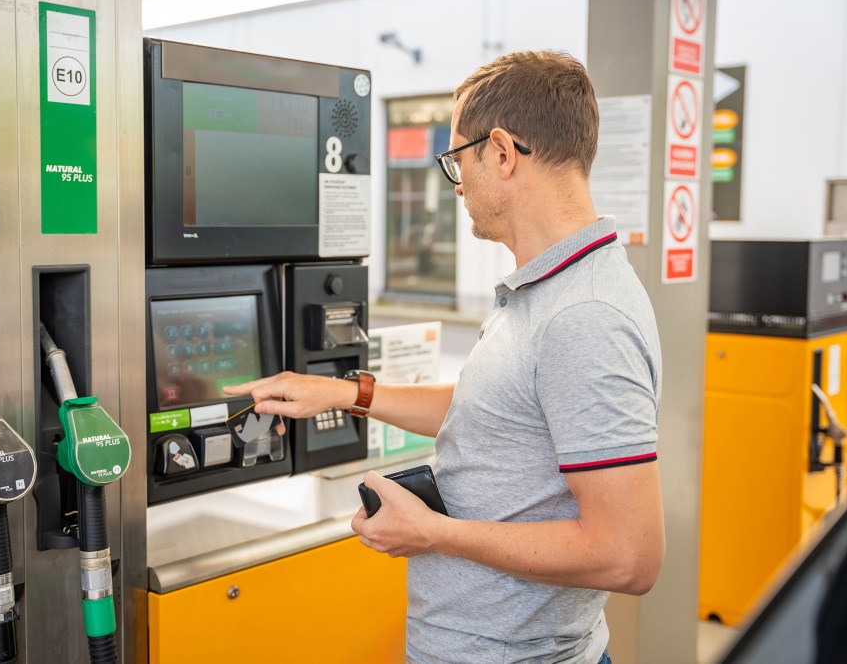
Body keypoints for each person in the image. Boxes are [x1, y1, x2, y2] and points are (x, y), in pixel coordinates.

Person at [225, 50, 664, 664]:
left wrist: (434, 534)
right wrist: (351, 394)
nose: (456, 184)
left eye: (458, 160)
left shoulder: (583, 315)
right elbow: (500, 414)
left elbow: (628, 555)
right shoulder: (546, 289)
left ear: (503, 152)